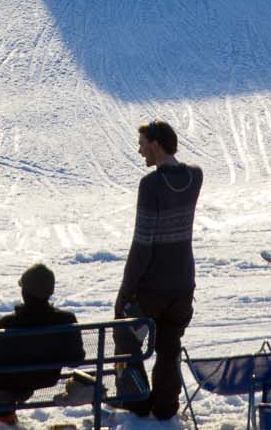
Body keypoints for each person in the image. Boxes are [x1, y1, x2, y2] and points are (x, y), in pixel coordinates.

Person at [112, 120, 200, 420]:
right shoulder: (194, 177)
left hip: (153, 287)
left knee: (126, 336)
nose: (139, 151)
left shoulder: (150, 185)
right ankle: (165, 407)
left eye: (142, 144)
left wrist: (126, 291)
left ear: (156, 144)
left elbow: (143, 246)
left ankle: (136, 400)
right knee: (169, 343)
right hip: (184, 284)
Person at [0, 264, 84, 425]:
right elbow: (76, 358)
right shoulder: (66, 320)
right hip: (46, 378)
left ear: (24, 292)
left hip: (9, 384)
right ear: (50, 291)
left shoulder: (7, 324)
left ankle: (5, 423)